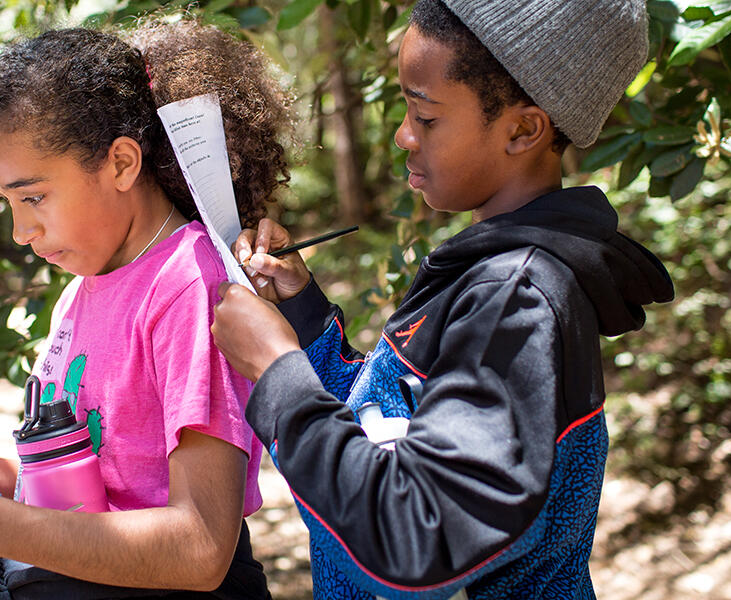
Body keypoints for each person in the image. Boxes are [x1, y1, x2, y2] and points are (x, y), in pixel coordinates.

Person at [211, 0, 675, 598]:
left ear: (523, 129)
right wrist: (299, 312)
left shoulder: (517, 299)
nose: (403, 134)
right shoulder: (492, 272)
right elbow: (385, 423)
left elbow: (417, 538)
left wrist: (278, 374)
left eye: (425, 116)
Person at [0, 18, 294, 599]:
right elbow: (104, 482)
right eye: (5, 201)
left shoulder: (187, 286)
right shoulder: (83, 287)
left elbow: (200, 548)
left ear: (122, 164)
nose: (21, 231)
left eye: (32, 197)